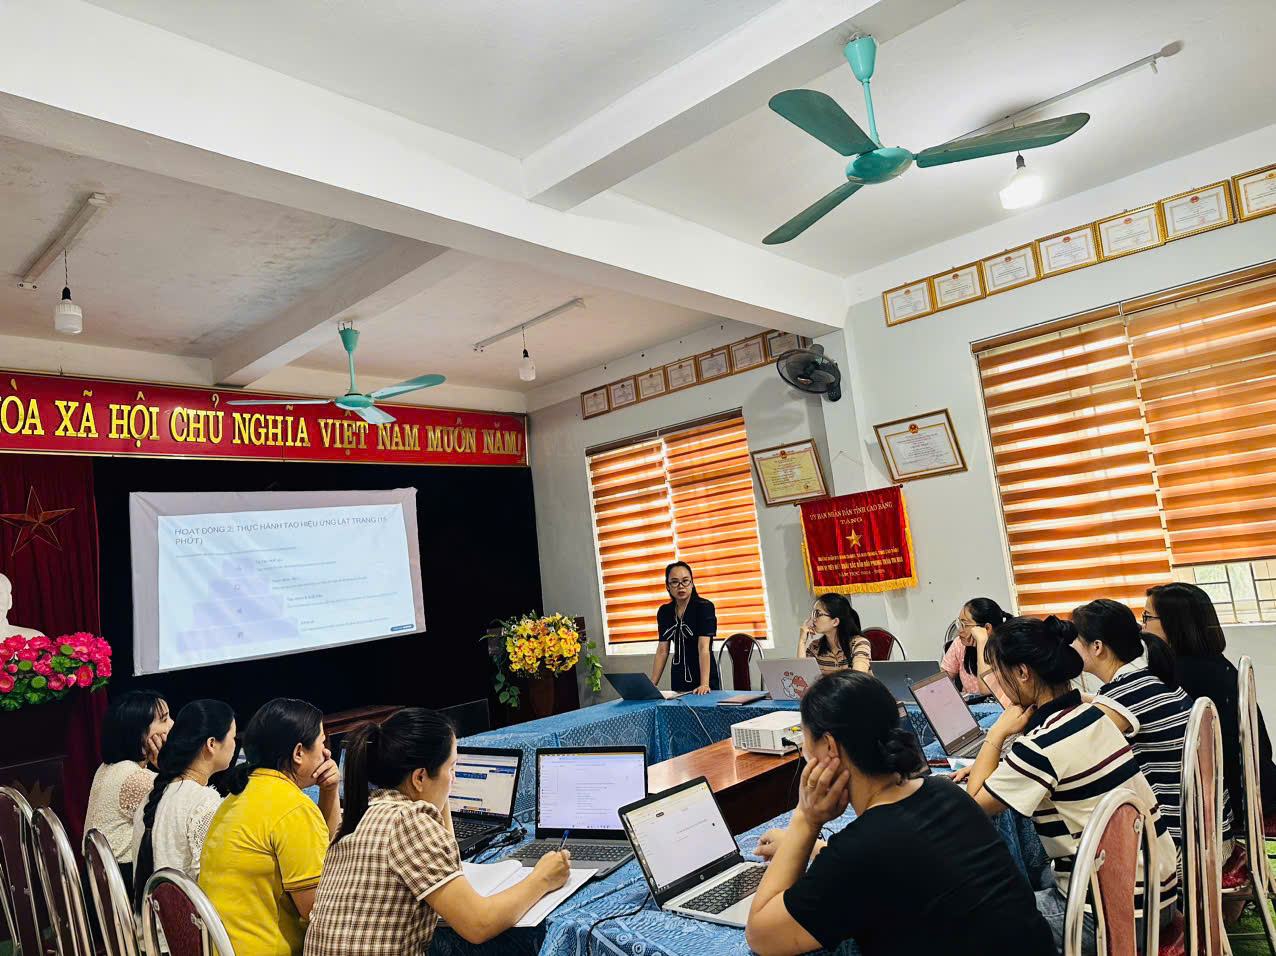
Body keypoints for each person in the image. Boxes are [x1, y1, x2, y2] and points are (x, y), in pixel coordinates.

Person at [744, 670, 1052, 956]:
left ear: (829, 747)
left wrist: (805, 819)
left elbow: (761, 934)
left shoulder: (861, 851)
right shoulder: (944, 792)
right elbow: (900, 863)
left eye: (805, 739)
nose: (804, 752)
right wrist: (814, 849)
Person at [960, 616, 1178, 954]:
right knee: (1036, 870)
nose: (999, 684)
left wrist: (998, 733)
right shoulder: (1096, 716)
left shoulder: (1039, 747)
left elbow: (972, 806)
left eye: (999, 673)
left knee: (973, 919)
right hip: (1157, 897)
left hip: (1109, 919)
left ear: (1022, 672)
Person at [305, 708, 570, 955]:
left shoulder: (361, 814)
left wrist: (437, 796)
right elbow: (479, 924)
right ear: (419, 777)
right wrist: (542, 878)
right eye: (451, 768)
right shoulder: (409, 822)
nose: (454, 778)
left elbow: (449, 859)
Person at [1072, 598, 1235, 874]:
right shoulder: (1148, 679)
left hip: (1190, 853)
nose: (1070, 647)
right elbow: (1109, 705)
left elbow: (1074, 749)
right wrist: (1081, 699)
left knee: (1081, 852)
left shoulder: (1122, 698)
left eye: (1075, 640)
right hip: (1213, 834)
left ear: (1097, 647)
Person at [200, 698, 340, 956]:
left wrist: (329, 791)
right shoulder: (293, 808)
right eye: (322, 743)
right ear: (298, 753)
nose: (327, 754)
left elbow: (327, 845)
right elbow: (319, 912)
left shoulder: (236, 796)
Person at [1144, 582, 1276, 823]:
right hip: (1257, 787)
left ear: (1173, 623)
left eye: (1147, 617)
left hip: (1230, 803)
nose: (1142, 626)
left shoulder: (1182, 674)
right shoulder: (1214, 663)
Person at [131, 699, 238, 908]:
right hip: (186, 927)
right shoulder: (204, 803)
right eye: (233, 737)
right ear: (211, 744)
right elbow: (215, 886)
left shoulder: (152, 796)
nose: (235, 745)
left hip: (150, 922)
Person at [84, 690, 173, 886]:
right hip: (123, 886)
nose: (172, 725)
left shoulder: (109, 767)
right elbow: (185, 808)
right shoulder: (135, 778)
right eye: (165, 720)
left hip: (100, 880)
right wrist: (168, 764)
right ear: (139, 734)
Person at [651, 561, 719, 694]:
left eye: (685, 581)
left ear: (692, 583)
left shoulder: (704, 607)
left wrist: (704, 684)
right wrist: (651, 685)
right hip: (679, 675)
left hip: (703, 675)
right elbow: (662, 650)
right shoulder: (665, 612)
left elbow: (703, 647)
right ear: (667, 586)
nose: (681, 586)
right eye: (674, 582)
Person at [942, 598, 1012, 705]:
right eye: (959, 623)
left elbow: (987, 690)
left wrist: (982, 642)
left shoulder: (1005, 648)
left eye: (965, 625)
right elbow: (942, 683)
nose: (959, 630)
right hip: (970, 707)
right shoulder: (959, 644)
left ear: (987, 628)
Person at [796, 593, 870, 675]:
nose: (813, 619)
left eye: (818, 614)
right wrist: (802, 642)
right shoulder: (815, 647)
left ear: (835, 621)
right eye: (813, 613)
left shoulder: (858, 643)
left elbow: (858, 678)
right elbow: (802, 676)